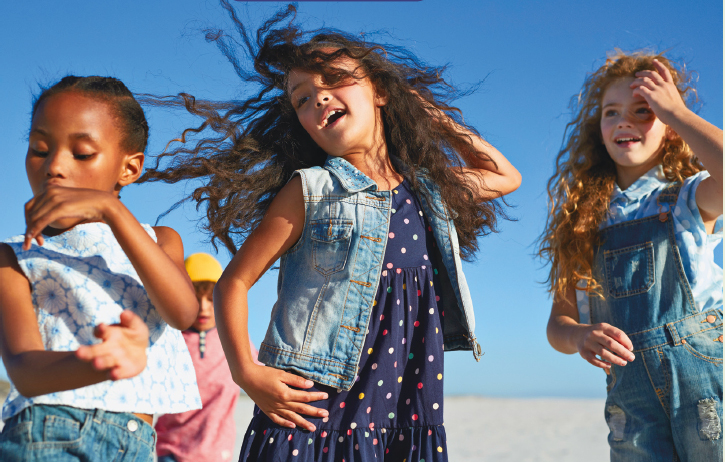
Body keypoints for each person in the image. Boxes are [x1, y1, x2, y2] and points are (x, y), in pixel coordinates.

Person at [140, 3, 520, 460]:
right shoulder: (311, 190)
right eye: (302, 98)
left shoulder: (426, 190)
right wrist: (246, 372)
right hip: (315, 412)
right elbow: (234, 283)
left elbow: (503, 175)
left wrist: (423, 109)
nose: (318, 97)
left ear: (379, 92)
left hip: (403, 410)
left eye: (334, 79)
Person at [0, 76, 202, 461]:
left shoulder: (160, 240)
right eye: (39, 149)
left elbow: (183, 312)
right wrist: (95, 362)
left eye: (81, 153)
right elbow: (24, 370)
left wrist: (110, 210)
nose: (54, 166)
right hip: (45, 433)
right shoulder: (14, 256)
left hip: (137, 442)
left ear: (129, 169)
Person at [540, 51, 723, 461]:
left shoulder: (687, 199)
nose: (625, 121)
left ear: (670, 129)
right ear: (598, 129)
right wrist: (578, 335)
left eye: (644, 110)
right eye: (611, 112)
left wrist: (674, 110)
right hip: (630, 395)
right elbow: (559, 322)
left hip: (706, 382)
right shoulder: (583, 223)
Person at [156, 252, 262, 462]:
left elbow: (261, 375)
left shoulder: (236, 338)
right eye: (196, 298)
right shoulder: (168, 338)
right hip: (171, 451)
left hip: (217, 453)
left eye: (211, 297)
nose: (203, 307)